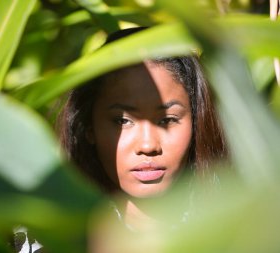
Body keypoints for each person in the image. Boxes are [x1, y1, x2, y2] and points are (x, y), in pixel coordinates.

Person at [56, 27, 229, 251]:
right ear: (89, 127)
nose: (148, 146)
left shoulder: (247, 233)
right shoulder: (48, 236)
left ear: (197, 122)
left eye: (167, 120)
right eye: (122, 121)